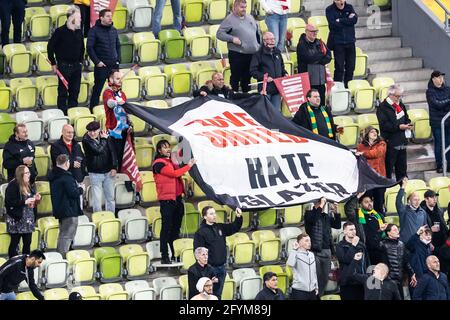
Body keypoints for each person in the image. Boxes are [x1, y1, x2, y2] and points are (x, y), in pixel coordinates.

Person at [153, 140, 196, 264]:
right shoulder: (158, 164)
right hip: (167, 201)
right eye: (164, 147)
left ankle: (174, 253)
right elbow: (174, 174)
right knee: (166, 228)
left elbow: (178, 165)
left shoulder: (170, 161)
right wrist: (189, 165)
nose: (167, 149)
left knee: (176, 228)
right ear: (159, 150)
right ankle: (164, 255)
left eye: (168, 147)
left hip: (177, 199)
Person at [194, 206, 243, 298]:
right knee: (208, 295)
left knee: (217, 295)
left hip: (221, 268)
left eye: (214, 213)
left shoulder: (219, 227)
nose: (214, 215)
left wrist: (238, 216)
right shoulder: (200, 232)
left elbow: (234, 227)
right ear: (205, 217)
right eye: (211, 214)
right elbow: (198, 252)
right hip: (210, 269)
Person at [47, 6, 84, 116]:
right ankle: (62, 115)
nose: (81, 20)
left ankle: (72, 114)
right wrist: (53, 63)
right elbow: (50, 47)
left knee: (75, 91)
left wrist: (81, 61)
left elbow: (82, 47)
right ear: (72, 18)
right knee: (63, 92)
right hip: (64, 66)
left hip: (77, 66)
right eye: (79, 17)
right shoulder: (60, 31)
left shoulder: (79, 31)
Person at [217, 0, 261, 93]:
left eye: (245, 7)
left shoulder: (250, 17)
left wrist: (258, 44)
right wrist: (232, 39)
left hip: (251, 54)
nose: (244, 9)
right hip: (237, 54)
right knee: (235, 77)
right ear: (235, 7)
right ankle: (234, 95)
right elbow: (219, 34)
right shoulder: (229, 19)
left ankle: (246, 97)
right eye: (241, 7)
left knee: (247, 78)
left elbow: (257, 32)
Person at [304, 197, 341, 296]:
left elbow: (337, 225)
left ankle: (319, 295)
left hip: (327, 250)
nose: (323, 204)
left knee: (325, 278)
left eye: (323, 203)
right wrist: (320, 206)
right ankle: (315, 296)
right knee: (315, 277)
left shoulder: (325, 216)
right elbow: (314, 220)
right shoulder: (309, 215)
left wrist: (336, 211)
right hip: (315, 251)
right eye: (321, 202)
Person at [48, 154, 84, 257]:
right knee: (67, 235)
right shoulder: (66, 177)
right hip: (70, 209)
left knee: (63, 234)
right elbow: (73, 193)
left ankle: (60, 255)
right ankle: (62, 256)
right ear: (67, 163)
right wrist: (81, 189)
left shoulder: (53, 175)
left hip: (60, 209)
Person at [376, 84, 412, 181]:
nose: (399, 98)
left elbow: (406, 118)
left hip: (402, 140)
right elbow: (384, 125)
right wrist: (399, 127)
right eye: (397, 96)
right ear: (390, 95)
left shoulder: (400, 104)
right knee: (388, 168)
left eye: (400, 96)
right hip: (390, 142)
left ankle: (402, 187)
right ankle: (388, 189)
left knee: (402, 168)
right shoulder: (382, 107)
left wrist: (408, 124)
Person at [87, 8, 120, 109]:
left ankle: (116, 109)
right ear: (101, 17)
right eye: (108, 16)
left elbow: (118, 46)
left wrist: (118, 60)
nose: (110, 18)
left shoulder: (114, 30)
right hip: (102, 66)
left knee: (116, 89)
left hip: (114, 66)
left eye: (111, 16)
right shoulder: (94, 31)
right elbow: (89, 48)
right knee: (97, 89)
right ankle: (93, 110)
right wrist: (97, 62)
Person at [5, 166, 41, 258]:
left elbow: (31, 199)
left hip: (28, 219)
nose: (29, 175)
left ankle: (25, 262)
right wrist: (24, 202)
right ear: (21, 174)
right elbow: (10, 202)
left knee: (27, 242)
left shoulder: (28, 184)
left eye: (29, 173)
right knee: (15, 243)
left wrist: (36, 199)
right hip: (17, 219)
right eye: (27, 173)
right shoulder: (12, 185)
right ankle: (13, 262)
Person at [82, 121, 118, 213]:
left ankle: (111, 216)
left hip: (108, 171)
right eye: (90, 131)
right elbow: (98, 150)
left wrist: (114, 167)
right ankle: (98, 218)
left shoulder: (106, 135)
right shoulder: (86, 140)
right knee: (97, 199)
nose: (92, 133)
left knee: (110, 197)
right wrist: (104, 139)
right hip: (95, 172)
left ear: (99, 129)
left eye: (94, 131)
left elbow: (113, 151)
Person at [250, 31, 288, 111]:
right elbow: (253, 71)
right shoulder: (258, 55)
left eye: (273, 39)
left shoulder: (277, 52)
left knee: (276, 111)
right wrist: (264, 77)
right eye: (270, 39)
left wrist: (285, 73)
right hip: (265, 89)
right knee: (266, 111)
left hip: (277, 88)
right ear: (264, 41)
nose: (272, 41)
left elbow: (282, 67)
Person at [103, 69, 132, 170]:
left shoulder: (122, 94)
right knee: (114, 160)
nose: (120, 80)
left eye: (121, 78)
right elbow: (110, 104)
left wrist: (130, 124)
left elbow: (126, 111)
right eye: (118, 78)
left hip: (123, 130)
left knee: (123, 158)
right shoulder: (107, 92)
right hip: (113, 131)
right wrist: (117, 102)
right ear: (111, 79)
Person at [296, 23, 332, 104]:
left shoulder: (320, 42)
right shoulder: (301, 44)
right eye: (312, 31)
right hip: (308, 81)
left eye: (316, 31)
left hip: (321, 80)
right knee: (311, 104)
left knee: (321, 103)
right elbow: (309, 58)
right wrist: (321, 56)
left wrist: (319, 59)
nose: (315, 33)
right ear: (306, 32)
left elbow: (329, 56)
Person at [380, 223, 417, 299]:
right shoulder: (383, 244)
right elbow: (373, 242)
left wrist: (412, 273)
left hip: (399, 280)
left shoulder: (401, 244)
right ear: (388, 233)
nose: (397, 231)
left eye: (397, 229)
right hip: (388, 280)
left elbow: (406, 262)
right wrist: (380, 231)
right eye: (394, 230)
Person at [325, 0, 357, 88]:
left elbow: (354, 20)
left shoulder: (349, 7)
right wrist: (347, 20)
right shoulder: (329, 10)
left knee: (351, 67)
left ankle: (348, 87)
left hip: (350, 41)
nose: (341, 1)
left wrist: (340, 20)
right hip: (338, 42)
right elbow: (333, 25)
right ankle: (337, 88)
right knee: (339, 68)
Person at [356, 126, 387, 213]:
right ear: (367, 134)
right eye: (372, 132)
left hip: (379, 178)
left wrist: (363, 153)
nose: (375, 133)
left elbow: (377, 153)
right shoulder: (360, 146)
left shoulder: (382, 144)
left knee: (379, 203)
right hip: (367, 179)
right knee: (366, 202)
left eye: (375, 131)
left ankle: (381, 222)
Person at [335, 221, 369, 300]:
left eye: (354, 229)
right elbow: (345, 259)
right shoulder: (340, 246)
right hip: (347, 282)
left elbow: (367, 262)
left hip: (360, 281)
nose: (354, 231)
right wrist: (353, 246)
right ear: (344, 231)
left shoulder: (361, 245)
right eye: (351, 230)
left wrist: (367, 277)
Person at [425, 71, 450, 173]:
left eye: (442, 77)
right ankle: (439, 165)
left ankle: (448, 165)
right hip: (437, 123)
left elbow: (442, 104)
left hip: (448, 121)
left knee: (448, 144)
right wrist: (448, 101)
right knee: (439, 144)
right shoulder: (429, 92)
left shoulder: (448, 89)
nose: (441, 79)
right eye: (438, 77)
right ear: (433, 79)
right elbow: (437, 104)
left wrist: (446, 102)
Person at [286, 233, 318, 300]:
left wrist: (316, 286)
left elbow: (314, 272)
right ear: (299, 243)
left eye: (310, 241)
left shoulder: (311, 254)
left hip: (312, 291)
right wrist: (294, 249)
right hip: (299, 291)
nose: (309, 243)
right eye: (306, 241)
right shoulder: (295, 254)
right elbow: (290, 264)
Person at [396, 177, 427, 244]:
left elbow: (425, 228)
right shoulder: (403, 210)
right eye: (415, 200)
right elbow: (398, 201)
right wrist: (403, 187)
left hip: (418, 243)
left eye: (418, 200)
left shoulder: (423, 212)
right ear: (409, 201)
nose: (417, 202)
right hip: (406, 243)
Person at [357, 194, 386, 265]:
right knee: (369, 273)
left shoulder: (379, 215)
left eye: (370, 201)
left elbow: (381, 232)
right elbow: (349, 208)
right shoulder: (357, 215)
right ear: (360, 204)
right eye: (366, 202)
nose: (369, 203)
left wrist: (382, 230)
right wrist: (357, 197)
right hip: (365, 249)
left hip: (379, 249)